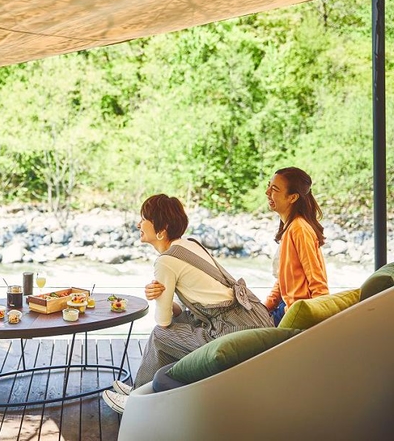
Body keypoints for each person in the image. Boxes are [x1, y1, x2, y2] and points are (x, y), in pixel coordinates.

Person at [102, 194, 273, 414]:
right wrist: (163, 298)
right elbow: (190, 306)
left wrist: (159, 299)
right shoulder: (190, 245)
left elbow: (163, 322)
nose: (138, 224)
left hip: (231, 333)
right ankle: (140, 390)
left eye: (143, 218)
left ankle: (136, 402)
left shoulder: (166, 261)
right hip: (251, 320)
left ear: (161, 229)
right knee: (178, 322)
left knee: (159, 335)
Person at [263, 167, 329, 326]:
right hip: (284, 307)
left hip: (294, 312)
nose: (267, 192)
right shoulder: (291, 227)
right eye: (268, 186)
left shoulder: (299, 229)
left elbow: (317, 281)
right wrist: (265, 307)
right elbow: (283, 280)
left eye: (274, 189)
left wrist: (324, 323)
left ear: (292, 197)